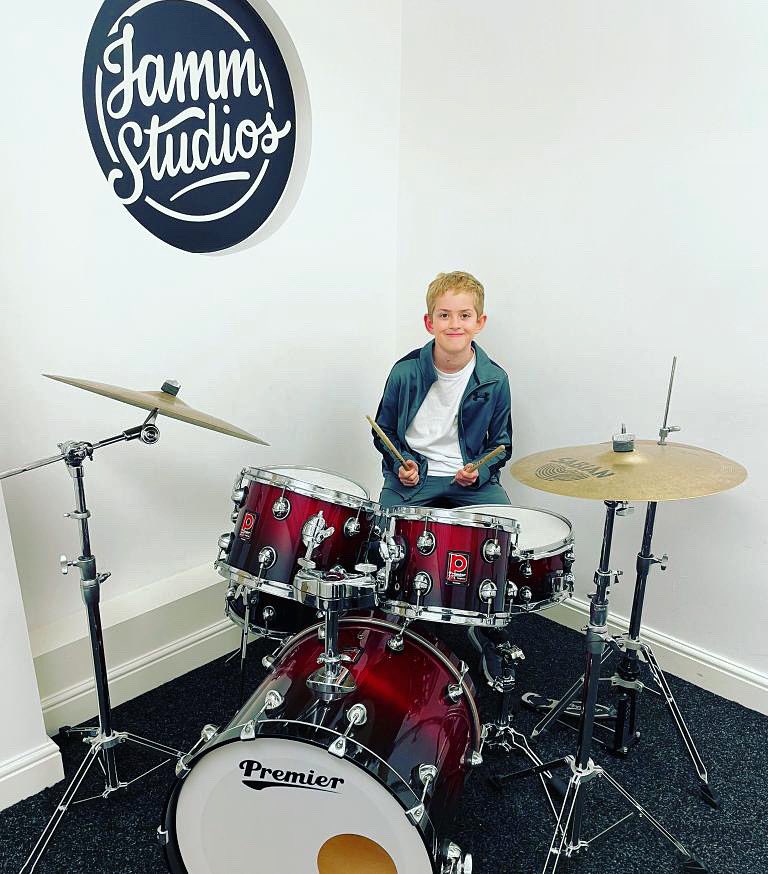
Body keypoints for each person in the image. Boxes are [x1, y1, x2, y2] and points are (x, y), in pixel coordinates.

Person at [371, 270, 512, 682]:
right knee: (384, 542)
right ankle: (391, 631)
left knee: (503, 533)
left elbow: (501, 444)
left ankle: (490, 634)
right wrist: (400, 463)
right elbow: (384, 432)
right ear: (429, 322)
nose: (455, 324)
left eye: (465, 315)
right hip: (414, 477)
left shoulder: (495, 379)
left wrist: (480, 469)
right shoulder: (404, 372)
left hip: (469, 481)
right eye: (445, 315)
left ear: (480, 322)